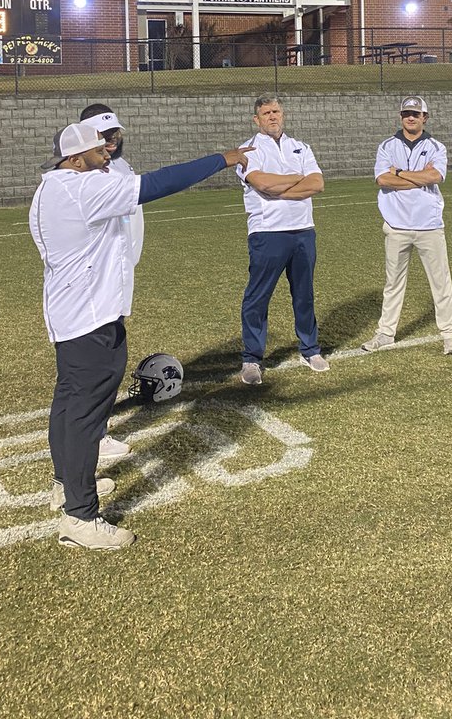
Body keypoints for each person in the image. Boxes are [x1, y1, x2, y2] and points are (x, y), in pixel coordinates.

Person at [29, 120, 250, 551]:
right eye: (98, 149)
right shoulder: (83, 189)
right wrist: (223, 158)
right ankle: (79, 517)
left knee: (69, 404)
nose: (107, 152)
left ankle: (64, 485)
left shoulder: (52, 188)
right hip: (90, 319)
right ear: (75, 159)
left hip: (71, 313)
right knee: (84, 416)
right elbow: (157, 184)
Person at [236, 96, 327, 385]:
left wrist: (280, 188)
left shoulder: (301, 146)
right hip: (267, 232)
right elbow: (261, 183)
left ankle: (309, 349)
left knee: (304, 293)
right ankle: (252, 358)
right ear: (257, 119)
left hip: (303, 230)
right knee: (258, 296)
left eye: (276, 111)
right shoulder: (247, 150)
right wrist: (296, 180)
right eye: (266, 113)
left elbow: (317, 184)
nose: (272, 117)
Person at [361, 96, 452, 355]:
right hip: (396, 225)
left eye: (416, 114)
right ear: (400, 116)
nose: (411, 118)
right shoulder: (387, 146)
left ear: (425, 117)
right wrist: (417, 178)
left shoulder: (437, 147)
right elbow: (382, 180)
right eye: (406, 113)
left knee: (441, 282)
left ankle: (449, 335)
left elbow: (436, 176)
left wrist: (399, 173)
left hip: (429, 224)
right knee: (393, 283)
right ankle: (385, 333)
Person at [78, 103, 142, 468]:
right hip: (99, 281)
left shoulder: (118, 167)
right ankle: (93, 436)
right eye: (102, 135)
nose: (111, 140)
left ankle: (96, 428)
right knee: (98, 361)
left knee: (111, 356)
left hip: (119, 275)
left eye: (113, 133)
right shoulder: (90, 174)